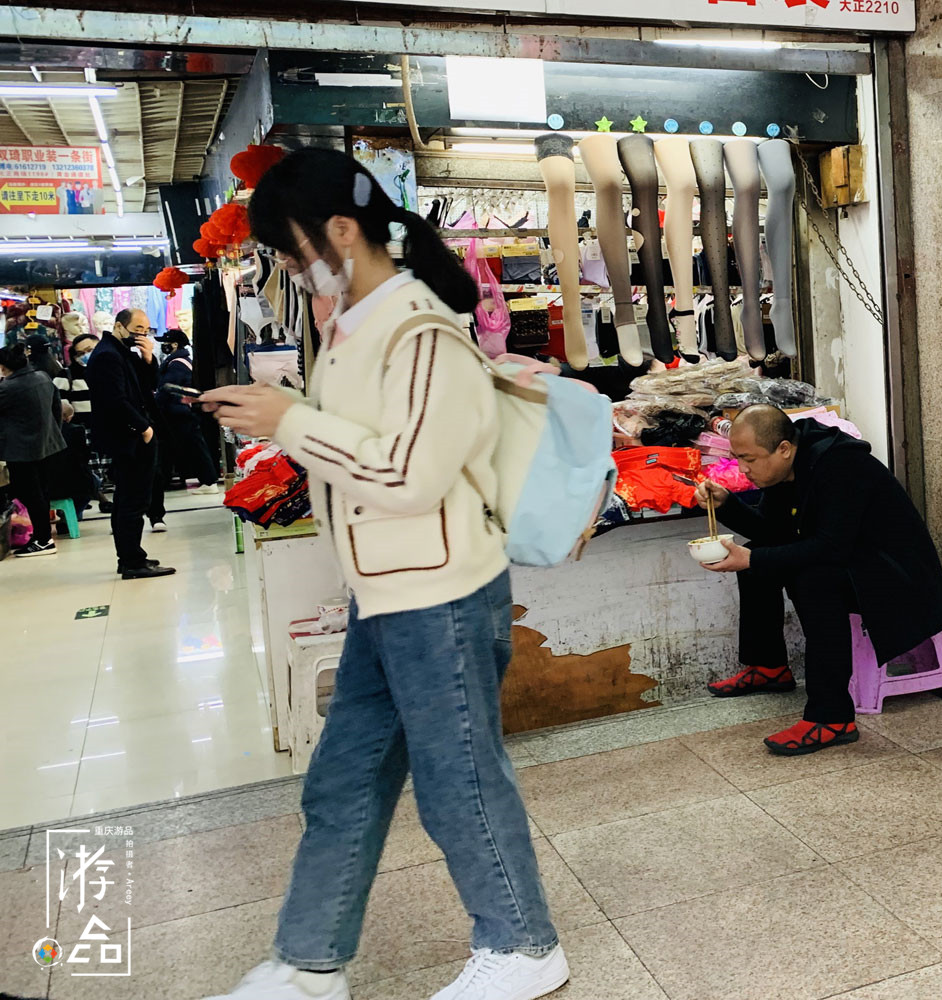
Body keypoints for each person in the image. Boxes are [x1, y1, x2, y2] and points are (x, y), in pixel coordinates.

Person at [200, 148, 566, 1000]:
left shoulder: (418, 330)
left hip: (440, 594)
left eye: (289, 251)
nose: (286, 269)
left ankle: (523, 946)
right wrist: (287, 415)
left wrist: (290, 420)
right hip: (388, 592)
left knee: (458, 776)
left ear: (339, 230)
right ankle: (309, 962)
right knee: (346, 778)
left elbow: (409, 476)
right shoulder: (352, 327)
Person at [696, 405, 942, 755]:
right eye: (738, 458)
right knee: (757, 557)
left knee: (813, 580)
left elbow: (830, 548)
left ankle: (831, 718)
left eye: (749, 459)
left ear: (783, 449)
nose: (743, 469)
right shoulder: (785, 469)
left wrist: (753, 558)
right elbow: (773, 531)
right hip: (852, 561)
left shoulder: (841, 466)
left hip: (898, 578)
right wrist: (726, 504)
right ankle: (769, 667)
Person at [84, 307, 174, 578]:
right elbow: (115, 400)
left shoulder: (122, 352)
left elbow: (145, 386)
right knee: (132, 501)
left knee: (131, 498)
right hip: (129, 437)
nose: (141, 336)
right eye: (137, 330)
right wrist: (144, 428)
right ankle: (132, 561)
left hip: (133, 434)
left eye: (145, 331)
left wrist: (148, 358)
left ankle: (131, 557)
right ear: (119, 326)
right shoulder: (107, 355)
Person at [0, 342, 66, 556]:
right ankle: (42, 536)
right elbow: (57, 408)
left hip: (21, 450)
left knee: (30, 494)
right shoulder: (43, 378)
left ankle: (43, 539)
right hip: (48, 444)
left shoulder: (8, 388)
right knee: (41, 494)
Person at [156, 328, 221, 495]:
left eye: (166, 343)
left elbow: (168, 387)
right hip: (180, 410)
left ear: (174, 344)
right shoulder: (181, 361)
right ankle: (207, 480)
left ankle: (209, 481)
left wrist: (157, 400)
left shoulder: (177, 363)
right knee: (192, 446)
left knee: (195, 446)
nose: (164, 346)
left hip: (179, 411)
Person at [58, 332, 97, 425]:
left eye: (90, 350)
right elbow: (58, 403)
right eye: (81, 353)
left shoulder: (112, 372)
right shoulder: (66, 375)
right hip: (82, 429)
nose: (86, 355)